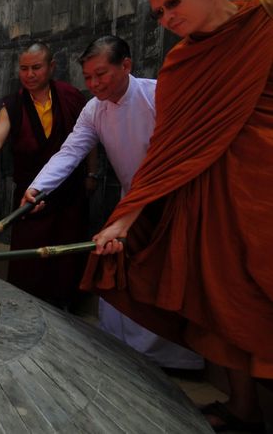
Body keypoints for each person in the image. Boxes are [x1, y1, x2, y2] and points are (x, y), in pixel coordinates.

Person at [85, 0, 273, 431]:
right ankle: (243, 409)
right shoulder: (182, 64)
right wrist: (125, 218)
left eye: (172, 5)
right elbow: (166, 149)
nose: (167, 20)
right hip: (211, 202)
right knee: (224, 305)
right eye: (158, 15)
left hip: (263, 193)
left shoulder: (267, 21)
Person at [22, 35, 202, 369]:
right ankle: (122, 348)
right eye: (88, 77)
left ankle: (172, 358)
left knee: (165, 276)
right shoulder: (95, 109)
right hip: (128, 200)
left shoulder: (156, 95)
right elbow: (71, 151)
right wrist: (38, 187)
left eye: (101, 74)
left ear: (126, 66)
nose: (93, 84)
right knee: (118, 272)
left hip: (170, 200)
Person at [0, 43, 89, 307]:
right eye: (24, 68)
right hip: (30, 196)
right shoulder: (13, 105)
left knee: (66, 259)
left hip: (68, 193)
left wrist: (91, 175)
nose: (30, 74)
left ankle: (67, 310)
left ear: (51, 67)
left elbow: (89, 138)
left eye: (36, 67)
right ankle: (28, 307)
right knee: (28, 262)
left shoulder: (70, 97)